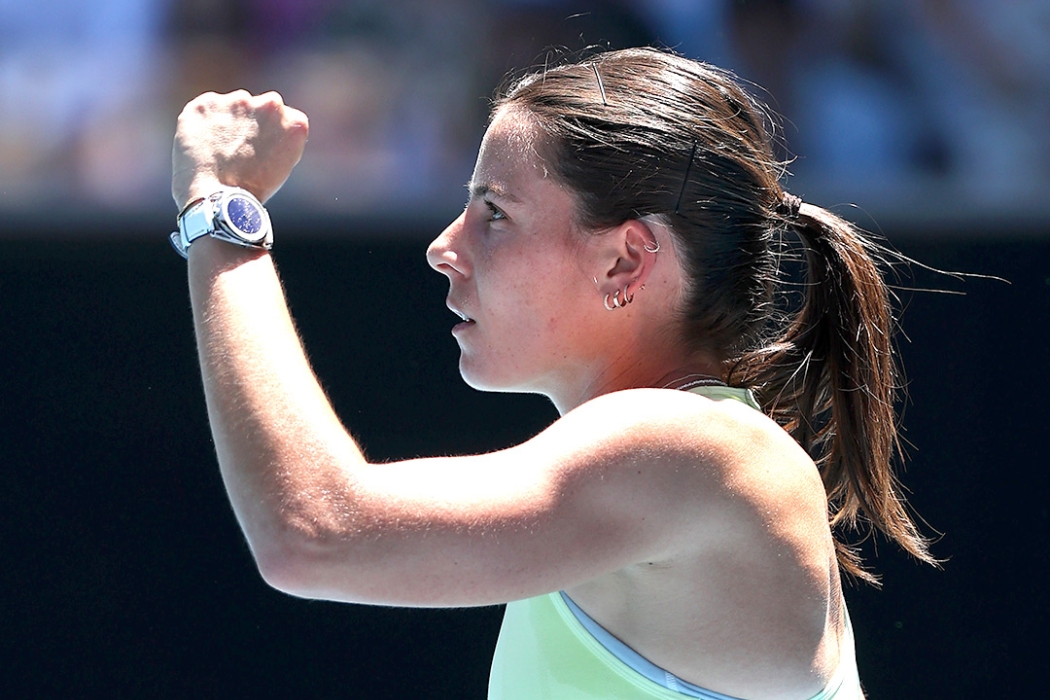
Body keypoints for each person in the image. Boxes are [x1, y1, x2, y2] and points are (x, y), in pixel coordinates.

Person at [170, 47, 935, 699]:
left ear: (625, 259)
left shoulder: (695, 449)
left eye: (495, 212)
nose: (444, 248)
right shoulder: (681, 459)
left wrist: (221, 209)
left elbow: (313, 533)